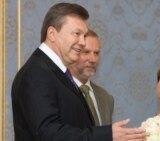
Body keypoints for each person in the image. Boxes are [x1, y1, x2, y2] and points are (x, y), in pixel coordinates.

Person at [11, 2, 146, 141]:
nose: (82, 42)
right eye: (77, 34)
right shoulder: (36, 73)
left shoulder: (58, 73)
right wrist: (107, 135)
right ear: (52, 34)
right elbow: (50, 134)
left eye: (84, 35)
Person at [69, 29, 114, 126]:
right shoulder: (59, 92)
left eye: (96, 53)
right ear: (72, 53)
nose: (93, 60)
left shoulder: (106, 98)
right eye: (86, 52)